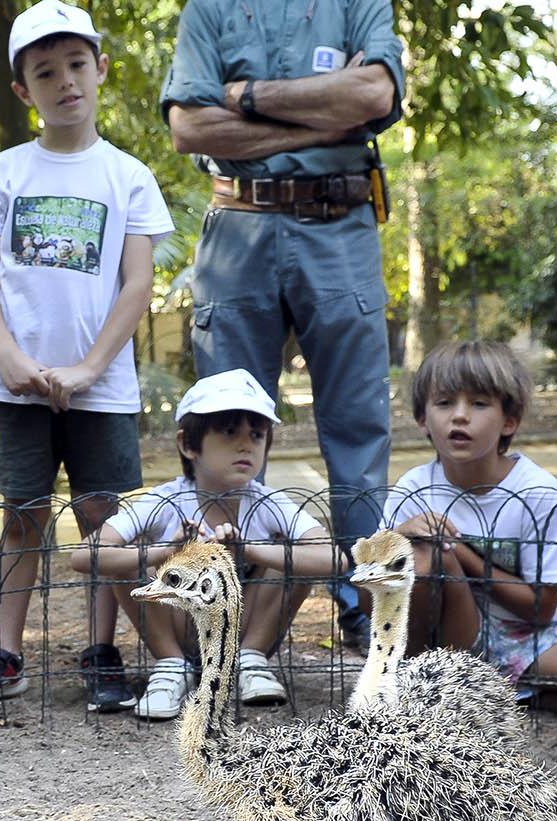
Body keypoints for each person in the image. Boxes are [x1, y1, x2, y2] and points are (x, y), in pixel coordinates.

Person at [0, 0, 172, 713]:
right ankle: (5, 652)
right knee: (23, 515)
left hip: (100, 386)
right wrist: (8, 355)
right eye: (45, 71)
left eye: (77, 64)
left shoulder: (127, 176)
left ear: (101, 69)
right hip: (20, 385)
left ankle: (102, 650)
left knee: (103, 521)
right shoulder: (5, 172)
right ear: (23, 91)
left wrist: (90, 366)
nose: (65, 81)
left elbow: (138, 281)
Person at [160, 0, 403, 654]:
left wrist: (245, 99)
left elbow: (374, 91)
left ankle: (365, 601)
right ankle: (218, 602)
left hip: (343, 225)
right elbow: (189, 127)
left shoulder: (359, 5)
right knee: (222, 424)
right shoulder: (206, 11)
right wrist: (323, 122)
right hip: (238, 227)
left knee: (358, 426)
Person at [381, 342, 557, 730]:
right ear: (423, 420)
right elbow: (373, 587)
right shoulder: (414, 488)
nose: (460, 416)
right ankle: (432, 688)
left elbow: (541, 608)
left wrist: (461, 551)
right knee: (427, 559)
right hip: (446, 634)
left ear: (508, 421)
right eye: (444, 403)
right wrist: (398, 538)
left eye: (479, 404)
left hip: (526, 632)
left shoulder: (536, 491)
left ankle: (519, 692)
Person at [72, 369, 342, 720]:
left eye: (257, 435)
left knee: (290, 555)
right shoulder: (163, 501)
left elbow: (335, 558)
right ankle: (170, 665)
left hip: (244, 628)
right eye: (229, 432)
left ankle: (250, 661)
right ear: (188, 444)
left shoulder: (268, 502)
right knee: (128, 554)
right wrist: (165, 553)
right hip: (177, 625)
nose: (246, 445)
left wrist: (250, 550)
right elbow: (84, 556)